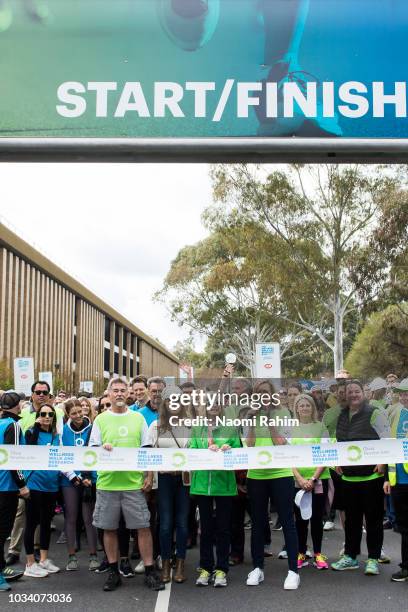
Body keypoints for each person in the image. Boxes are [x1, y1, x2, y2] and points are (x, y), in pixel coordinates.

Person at [89, 377, 164, 592]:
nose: (120, 393)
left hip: (134, 484)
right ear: (109, 393)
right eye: (116, 390)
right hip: (107, 483)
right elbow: (92, 450)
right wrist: (102, 447)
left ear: (128, 392)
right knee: (109, 529)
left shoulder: (138, 419)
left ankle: (150, 571)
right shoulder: (100, 420)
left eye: (123, 390)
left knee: (143, 527)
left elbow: (147, 449)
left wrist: (149, 476)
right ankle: (114, 572)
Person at [331, 380, 390, 575]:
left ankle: (373, 559)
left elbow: (388, 438)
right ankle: (351, 557)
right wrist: (336, 461)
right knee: (352, 522)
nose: (353, 395)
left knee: (373, 520)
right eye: (350, 392)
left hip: (371, 477)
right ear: (345, 395)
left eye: (357, 391)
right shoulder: (341, 415)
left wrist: (383, 462)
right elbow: (337, 442)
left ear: (363, 393)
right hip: (348, 478)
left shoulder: (373, 412)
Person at [244, 383, 300, 590]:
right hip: (256, 474)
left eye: (265, 394)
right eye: (258, 394)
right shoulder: (249, 414)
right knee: (258, 523)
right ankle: (258, 568)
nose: (262, 397)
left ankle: (293, 570)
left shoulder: (283, 413)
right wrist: (250, 422)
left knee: (287, 521)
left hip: (281, 473)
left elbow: (280, 442)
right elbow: (249, 444)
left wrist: (268, 420)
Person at [23, 403, 80, 578]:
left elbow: (61, 459)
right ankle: (30, 563)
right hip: (34, 484)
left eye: (50, 414)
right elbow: (27, 452)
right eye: (43, 414)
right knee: (32, 523)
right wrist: (37, 427)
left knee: (46, 522)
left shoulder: (57, 436)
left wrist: (73, 476)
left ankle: (44, 559)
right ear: (38, 415)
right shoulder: (31, 433)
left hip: (51, 485)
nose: (47, 417)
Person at [190, 400, 241, 588]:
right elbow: (192, 452)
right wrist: (206, 451)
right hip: (202, 485)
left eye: (217, 404)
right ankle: (205, 568)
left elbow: (240, 452)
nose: (213, 407)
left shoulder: (230, 428)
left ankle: (221, 569)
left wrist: (230, 450)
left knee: (224, 528)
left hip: (224, 485)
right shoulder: (198, 428)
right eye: (210, 404)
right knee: (205, 529)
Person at [149, 386, 190, 583]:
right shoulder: (155, 426)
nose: (174, 402)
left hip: (184, 480)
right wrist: (148, 478)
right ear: (164, 402)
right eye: (170, 399)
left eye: (178, 399)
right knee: (165, 524)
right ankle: (165, 563)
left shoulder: (189, 425)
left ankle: (180, 563)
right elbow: (148, 455)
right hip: (164, 479)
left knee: (182, 524)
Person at [291, 394, 330, 570]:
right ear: (296, 409)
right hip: (297, 481)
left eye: (308, 405)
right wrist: (299, 478)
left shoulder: (321, 427)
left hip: (319, 480)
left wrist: (313, 478)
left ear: (313, 408)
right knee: (300, 520)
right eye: (301, 405)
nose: (305, 408)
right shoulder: (290, 429)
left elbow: (326, 453)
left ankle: (318, 554)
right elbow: (286, 456)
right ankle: (301, 552)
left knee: (316, 519)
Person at [61, 399, 98, 571]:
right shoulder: (62, 430)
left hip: (89, 478)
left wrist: (87, 476)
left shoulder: (92, 428)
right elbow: (61, 456)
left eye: (79, 411)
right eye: (73, 413)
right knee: (71, 517)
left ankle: (93, 556)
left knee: (89, 518)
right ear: (68, 414)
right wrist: (74, 476)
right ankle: (72, 557)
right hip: (69, 479)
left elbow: (95, 453)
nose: (77, 416)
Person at [0, 391, 29, 591]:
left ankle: (2, 568)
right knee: (2, 532)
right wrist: (22, 485)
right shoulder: (14, 426)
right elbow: (14, 458)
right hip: (7, 486)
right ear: (18, 405)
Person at [383, 379, 408, 582]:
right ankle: (406, 567)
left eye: (407, 393)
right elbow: (389, 446)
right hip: (398, 480)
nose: (404, 397)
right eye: (402, 393)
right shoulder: (396, 414)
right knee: (404, 527)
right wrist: (386, 479)